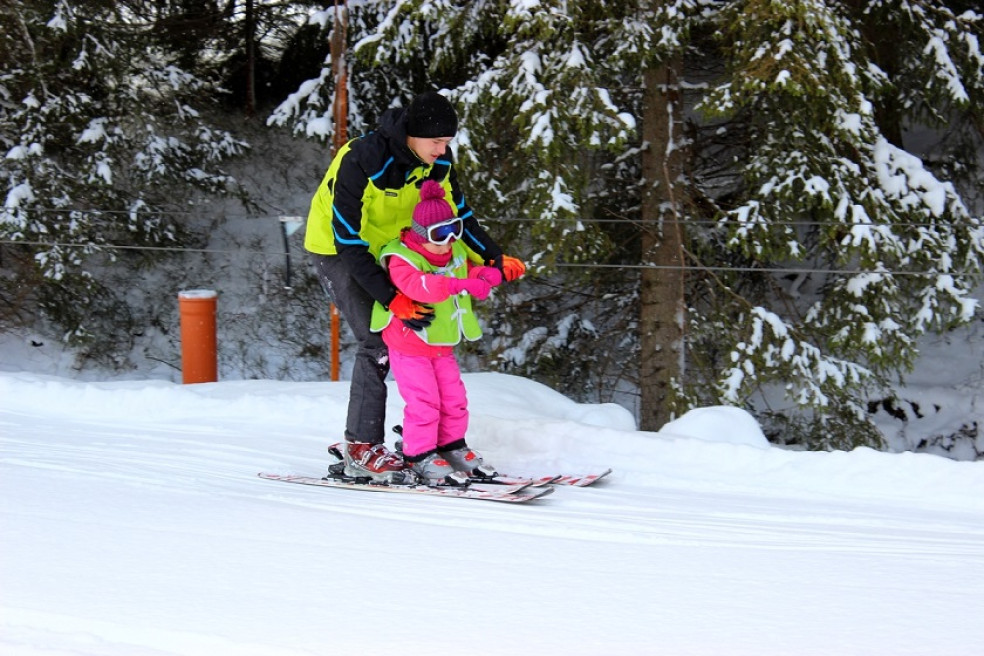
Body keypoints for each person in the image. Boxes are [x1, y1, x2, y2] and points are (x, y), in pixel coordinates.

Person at [304, 90, 525, 484]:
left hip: (400, 250)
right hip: (341, 249)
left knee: (425, 344)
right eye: (437, 141)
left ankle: (429, 438)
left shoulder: (436, 162)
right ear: (412, 134)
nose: (443, 150)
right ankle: (361, 446)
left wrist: (493, 258)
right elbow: (349, 241)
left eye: (447, 143)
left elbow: (461, 215)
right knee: (377, 341)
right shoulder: (363, 159)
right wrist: (393, 298)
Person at [371, 180, 503, 485]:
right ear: (420, 234)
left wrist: (484, 274)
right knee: (424, 401)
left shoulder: (451, 248)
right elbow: (417, 285)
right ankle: (419, 455)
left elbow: (465, 268)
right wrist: (459, 285)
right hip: (409, 343)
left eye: (453, 233)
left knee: (454, 398)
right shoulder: (401, 256)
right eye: (438, 237)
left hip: (440, 343)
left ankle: (451, 446)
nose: (447, 244)